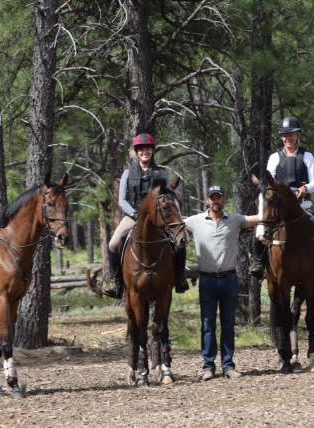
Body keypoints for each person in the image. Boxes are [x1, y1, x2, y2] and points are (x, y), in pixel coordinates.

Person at [185, 185, 259, 380]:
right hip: (207, 280)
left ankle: (228, 366)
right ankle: (208, 366)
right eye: (212, 197)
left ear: (224, 199)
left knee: (228, 324)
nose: (216, 200)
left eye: (219, 197)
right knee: (207, 324)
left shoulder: (235, 220)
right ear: (207, 200)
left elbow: (258, 218)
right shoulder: (195, 221)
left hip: (229, 279)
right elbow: (172, 222)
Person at [102, 133, 188, 299]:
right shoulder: (128, 173)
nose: (144, 152)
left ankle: (179, 279)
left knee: (178, 244)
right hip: (132, 216)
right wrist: (135, 214)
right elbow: (122, 200)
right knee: (113, 244)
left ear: (152, 151)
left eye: (147, 149)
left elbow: (168, 196)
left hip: (157, 219)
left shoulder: (161, 174)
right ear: (137, 152)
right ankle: (117, 282)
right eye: (141, 150)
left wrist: (174, 199)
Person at [251, 116, 314, 279]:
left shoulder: (307, 156)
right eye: (284, 135)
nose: (287, 138)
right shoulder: (274, 157)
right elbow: (270, 181)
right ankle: (258, 263)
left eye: (291, 134)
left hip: (303, 202)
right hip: (280, 204)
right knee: (260, 230)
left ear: (298, 135)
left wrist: (305, 188)